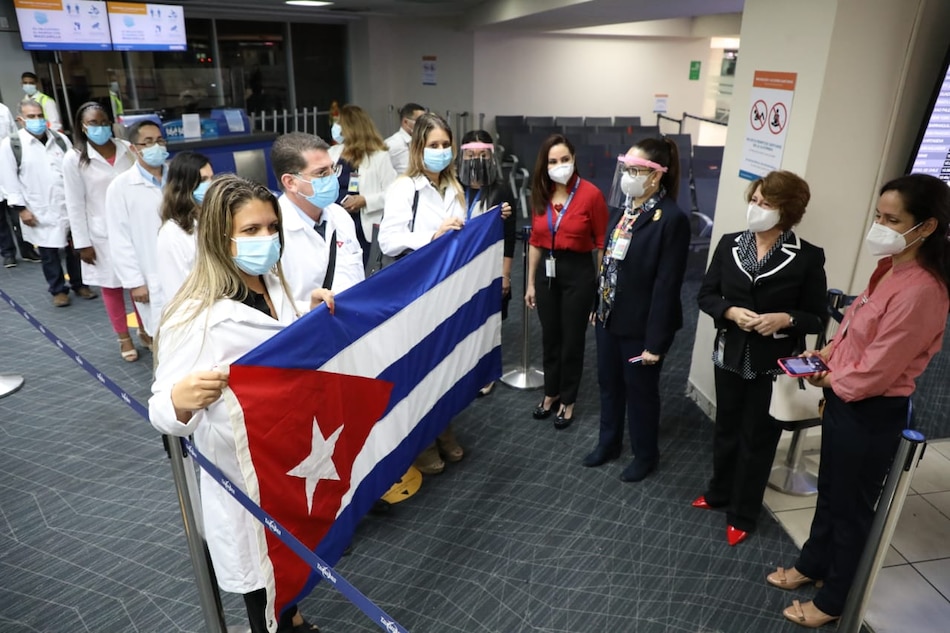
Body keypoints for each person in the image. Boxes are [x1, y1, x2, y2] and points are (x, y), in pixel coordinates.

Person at [769, 174, 950, 629]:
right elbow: (857, 331)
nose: (880, 227)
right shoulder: (891, 268)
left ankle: (834, 599)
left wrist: (828, 379)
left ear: (925, 227)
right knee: (830, 494)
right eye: (878, 216)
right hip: (847, 399)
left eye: (893, 220)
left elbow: (878, 370)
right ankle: (812, 564)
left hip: (871, 411)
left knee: (851, 510)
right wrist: (826, 353)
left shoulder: (923, 290)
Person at [149, 174, 328, 633]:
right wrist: (180, 398)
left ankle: (293, 614)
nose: (266, 238)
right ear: (219, 236)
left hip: (286, 455)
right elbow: (161, 411)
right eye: (251, 231)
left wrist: (309, 317)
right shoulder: (195, 314)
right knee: (260, 582)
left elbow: (278, 348)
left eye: (271, 227)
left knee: (288, 564)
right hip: (241, 473)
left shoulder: (273, 282)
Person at [694, 170, 827, 545]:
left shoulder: (807, 256)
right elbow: (706, 295)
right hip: (730, 353)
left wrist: (786, 319)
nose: (756, 208)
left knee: (759, 437)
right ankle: (719, 492)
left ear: (787, 211)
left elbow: (816, 315)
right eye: (754, 200)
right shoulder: (730, 243)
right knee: (726, 428)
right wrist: (730, 312)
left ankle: (744, 513)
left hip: (772, 363)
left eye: (766, 204)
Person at [584, 138, 691, 482]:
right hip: (609, 315)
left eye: (636, 170)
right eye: (626, 169)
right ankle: (608, 442)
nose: (628, 176)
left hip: (641, 326)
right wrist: (596, 305)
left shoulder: (670, 219)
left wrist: (655, 343)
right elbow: (607, 264)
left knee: (641, 392)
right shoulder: (622, 209)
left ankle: (646, 454)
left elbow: (666, 285)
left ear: (656, 176)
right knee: (608, 384)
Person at [379, 111, 467, 474]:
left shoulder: (454, 185)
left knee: (442, 364)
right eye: (434, 145)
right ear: (419, 148)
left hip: (446, 290)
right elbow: (387, 240)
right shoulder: (405, 188)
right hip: (415, 289)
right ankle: (421, 441)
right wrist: (429, 238)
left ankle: (443, 426)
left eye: (446, 144)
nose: (442, 151)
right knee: (417, 368)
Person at [524, 134, 608, 429]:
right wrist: (530, 283)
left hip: (578, 272)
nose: (560, 166)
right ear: (544, 165)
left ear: (574, 160)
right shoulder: (540, 192)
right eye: (553, 161)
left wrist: (600, 290)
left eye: (565, 160)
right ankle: (551, 392)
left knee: (572, 340)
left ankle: (568, 399)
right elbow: (535, 241)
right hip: (547, 272)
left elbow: (600, 244)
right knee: (551, 338)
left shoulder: (591, 195)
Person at [63, 101, 140, 360]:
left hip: (134, 228)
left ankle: (147, 331)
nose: (100, 127)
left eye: (104, 121)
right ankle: (124, 338)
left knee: (140, 283)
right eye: (93, 123)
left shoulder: (126, 149)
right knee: (112, 285)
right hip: (101, 233)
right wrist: (82, 242)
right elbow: (74, 203)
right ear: (83, 126)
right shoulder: (74, 158)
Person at [0, 99, 95, 307]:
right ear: (20, 120)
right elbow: (9, 180)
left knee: (74, 247)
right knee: (48, 251)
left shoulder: (60, 140)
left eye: (39, 115)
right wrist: (21, 209)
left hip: (67, 205)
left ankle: (80, 284)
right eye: (31, 117)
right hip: (39, 208)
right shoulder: (12, 145)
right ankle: (58, 289)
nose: (37, 120)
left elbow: (75, 170)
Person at [271, 132, 364, 309]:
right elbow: (272, 307)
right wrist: (308, 309)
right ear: (291, 182)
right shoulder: (273, 231)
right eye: (321, 173)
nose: (332, 178)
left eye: (332, 169)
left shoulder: (340, 216)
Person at [457, 129, 516, 396]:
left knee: (488, 326)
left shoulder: (501, 190)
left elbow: (509, 238)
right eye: (471, 154)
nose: (476, 159)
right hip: (459, 270)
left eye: (483, 154)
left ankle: (486, 374)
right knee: (462, 324)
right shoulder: (454, 188)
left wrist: (505, 275)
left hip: (490, 270)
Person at [105, 120, 169, 344]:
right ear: (134, 148)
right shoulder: (120, 187)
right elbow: (119, 238)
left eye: (160, 140)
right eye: (148, 142)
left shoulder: (180, 178)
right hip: (151, 275)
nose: (156, 147)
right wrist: (135, 282)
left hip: (186, 269)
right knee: (162, 335)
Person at [329, 104, 398, 264]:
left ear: (351, 127)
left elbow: (394, 193)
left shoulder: (379, 157)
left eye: (339, 124)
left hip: (363, 225)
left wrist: (365, 200)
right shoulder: (332, 153)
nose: (335, 128)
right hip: (337, 223)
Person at [156, 151, 213, 302]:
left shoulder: (212, 218)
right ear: (185, 186)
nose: (210, 184)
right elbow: (177, 290)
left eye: (211, 178)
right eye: (203, 180)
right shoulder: (171, 233)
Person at [385, 102, 425, 174]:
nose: (423, 125)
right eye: (420, 121)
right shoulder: (392, 144)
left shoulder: (422, 143)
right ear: (406, 122)